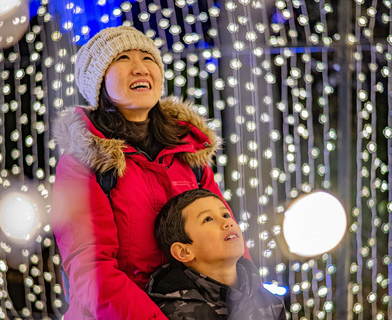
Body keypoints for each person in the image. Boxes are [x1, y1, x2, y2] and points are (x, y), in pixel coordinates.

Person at [50, 26, 250, 319]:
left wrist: (249, 301)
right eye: (122, 59)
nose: (139, 68)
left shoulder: (188, 152)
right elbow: (91, 270)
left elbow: (228, 239)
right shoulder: (83, 164)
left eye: (148, 58)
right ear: (98, 82)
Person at [148, 188, 286, 320]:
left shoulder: (273, 304)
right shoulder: (174, 312)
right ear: (184, 251)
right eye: (208, 219)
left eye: (226, 215)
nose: (227, 222)